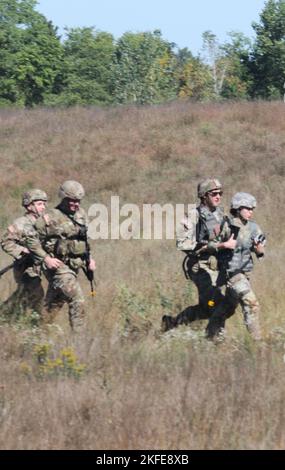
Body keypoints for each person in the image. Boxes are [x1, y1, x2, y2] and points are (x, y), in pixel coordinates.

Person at [162, 178, 236, 332]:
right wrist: (216, 246)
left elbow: (229, 237)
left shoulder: (220, 215)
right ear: (203, 196)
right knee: (221, 303)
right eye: (214, 193)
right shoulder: (193, 216)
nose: (218, 196)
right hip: (199, 266)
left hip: (217, 266)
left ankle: (172, 323)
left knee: (207, 308)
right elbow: (182, 243)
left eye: (220, 193)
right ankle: (214, 338)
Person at [25, 180, 96, 333]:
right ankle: (80, 341)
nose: (75, 204)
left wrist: (89, 260)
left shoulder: (81, 215)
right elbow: (31, 239)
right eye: (71, 201)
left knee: (52, 307)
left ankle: (36, 334)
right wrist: (46, 258)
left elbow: (84, 240)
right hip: (59, 269)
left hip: (74, 266)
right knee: (77, 299)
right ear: (63, 198)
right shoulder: (50, 218)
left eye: (78, 201)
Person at [205, 192, 266, 341]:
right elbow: (210, 245)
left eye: (252, 209)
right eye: (247, 208)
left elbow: (260, 252)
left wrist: (259, 249)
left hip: (244, 275)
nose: (251, 212)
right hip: (231, 274)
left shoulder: (253, 228)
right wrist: (225, 244)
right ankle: (258, 342)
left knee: (228, 308)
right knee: (251, 303)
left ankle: (210, 335)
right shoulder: (227, 225)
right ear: (238, 208)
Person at [0, 189, 47, 320]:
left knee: (23, 295)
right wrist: (23, 251)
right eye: (39, 204)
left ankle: (5, 315)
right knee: (36, 294)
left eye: (44, 204)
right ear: (29, 205)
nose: (42, 207)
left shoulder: (44, 222)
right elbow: (6, 242)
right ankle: (37, 326)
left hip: (41, 265)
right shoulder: (20, 223)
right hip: (25, 267)